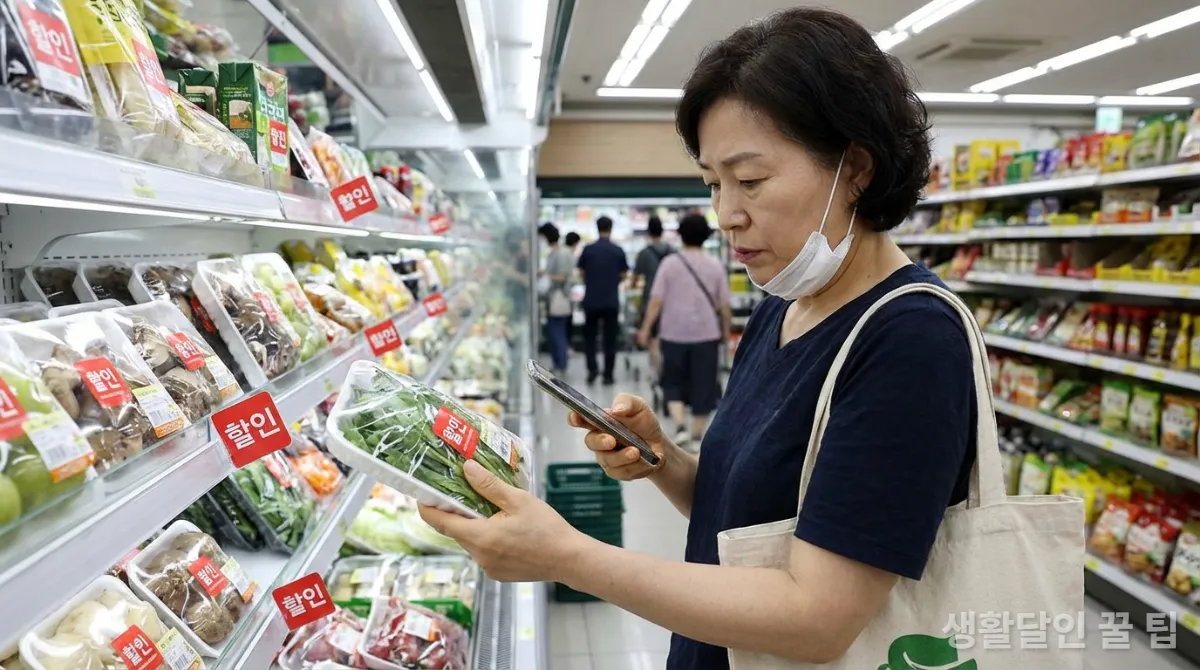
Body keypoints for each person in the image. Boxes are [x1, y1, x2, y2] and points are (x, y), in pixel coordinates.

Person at [419, 7, 1008, 668]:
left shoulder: (911, 340)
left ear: (858, 168)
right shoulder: (783, 304)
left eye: (750, 180)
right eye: (713, 184)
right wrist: (662, 459)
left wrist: (568, 557)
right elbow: (745, 509)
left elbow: (817, 618)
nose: (727, 213)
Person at [636, 213, 729, 448]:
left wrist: (646, 328)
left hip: (673, 333)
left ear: (680, 235)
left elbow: (656, 301)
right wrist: (726, 333)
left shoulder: (669, 264)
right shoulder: (714, 266)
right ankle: (697, 435)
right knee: (704, 383)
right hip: (706, 334)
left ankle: (679, 427)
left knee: (673, 380)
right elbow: (724, 305)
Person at [576, 216, 628, 384]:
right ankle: (608, 374)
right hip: (611, 301)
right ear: (610, 228)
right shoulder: (618, 250)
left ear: (597, 228)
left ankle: (592, 371)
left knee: (590, 338)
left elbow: (581, 272)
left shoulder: (588, 249)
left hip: (591, 300)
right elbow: (623, 274)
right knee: (610, 339)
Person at [630, 215, 673, 377]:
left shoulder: (644, 253)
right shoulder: (672, 251)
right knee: (667, 337)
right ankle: (667, 369)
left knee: (652, 339)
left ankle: (657, 372)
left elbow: (634, 280)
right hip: (671, 302)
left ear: (648, 232)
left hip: (650, 301)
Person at [539, 222, 575, 373]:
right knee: (555, 332)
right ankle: (558, 363)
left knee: (557, 332)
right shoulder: (557, 252)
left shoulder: (561, 253)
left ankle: (561, 364)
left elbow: (563, 277)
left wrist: (545, 275)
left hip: (558, 298)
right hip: (554, 298)